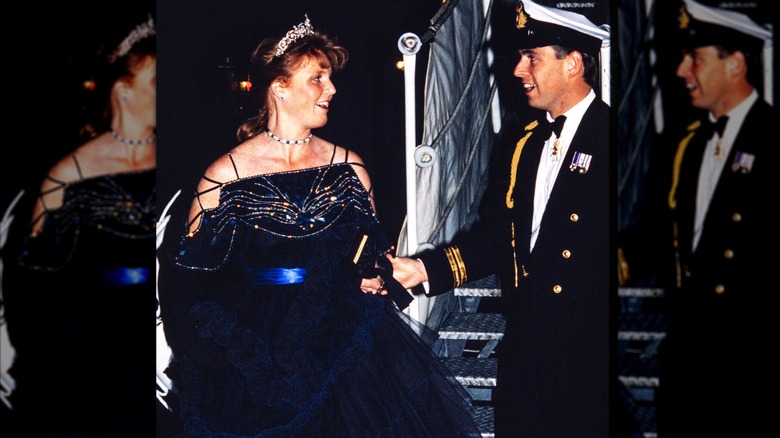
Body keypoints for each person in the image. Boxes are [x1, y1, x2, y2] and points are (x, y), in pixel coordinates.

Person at [156, 15, 482, 437]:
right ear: (280, 87)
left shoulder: (349, 168)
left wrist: (373, 276)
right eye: (317, 79)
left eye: (330, 80)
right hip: (252, 349)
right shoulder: (225, 175)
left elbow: (370, 253)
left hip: (339, 336)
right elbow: (192, 282)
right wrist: (216, 353)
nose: (331, 90)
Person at [390, 1, 612, 436]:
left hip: (590, 354)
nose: (517, 70)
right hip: (526, 349)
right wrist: (423, 269)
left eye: (532, 58)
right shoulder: (523, 142)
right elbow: (499, 235)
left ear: (574, 64)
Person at [617, 0, 775, 435]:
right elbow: (656, 233)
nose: (682, 71)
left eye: (696, 58)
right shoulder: (685, 144)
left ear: (735, 64)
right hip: (689, 351)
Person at [1, 14, 157, 436]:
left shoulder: (176, 161)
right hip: (92, 352)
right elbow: (33, 286)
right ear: (124, 91)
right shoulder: (69, 173)